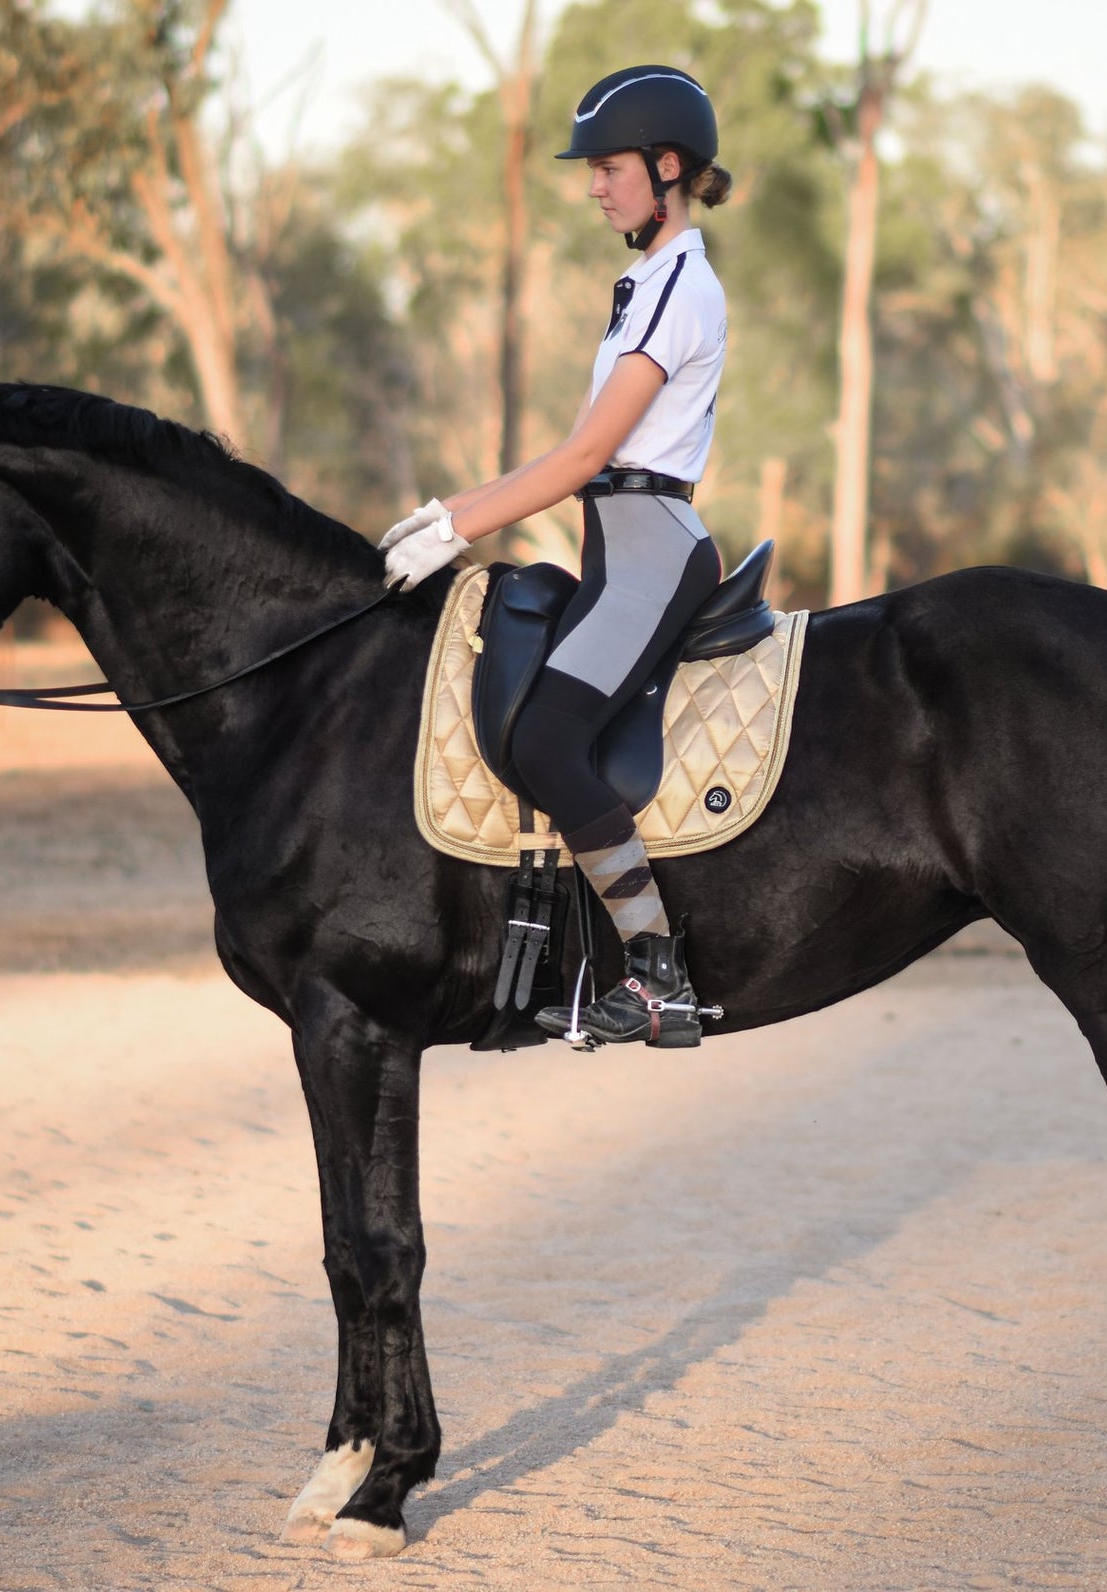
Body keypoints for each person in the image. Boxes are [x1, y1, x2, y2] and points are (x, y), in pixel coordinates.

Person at [380, 64, 733, 1049]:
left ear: (666, 167)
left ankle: (658, 976)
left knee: (543, 741)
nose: (593, 186)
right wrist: (446, 511)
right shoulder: (647, 285)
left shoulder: (678, 289)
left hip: (649, 550)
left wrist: (461, 531)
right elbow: (571, 459)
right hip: (613, 537)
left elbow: (585, 456)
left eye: (609, 167)